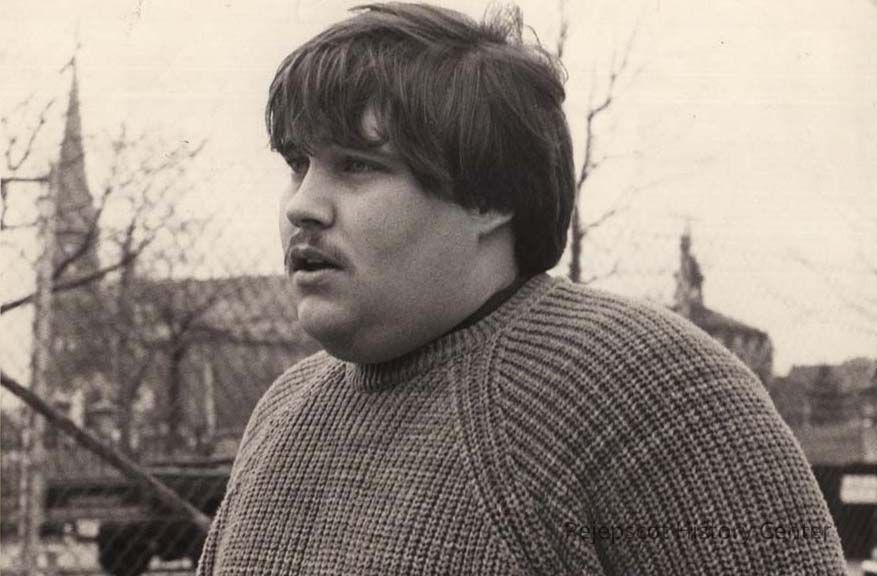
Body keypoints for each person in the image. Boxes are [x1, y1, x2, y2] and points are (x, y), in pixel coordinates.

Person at [196, 3, 846, 574]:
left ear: (488, 197)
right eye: (298, 165)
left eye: (359, 166)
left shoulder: (648, 388)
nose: (302, 205)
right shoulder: (285, 410)